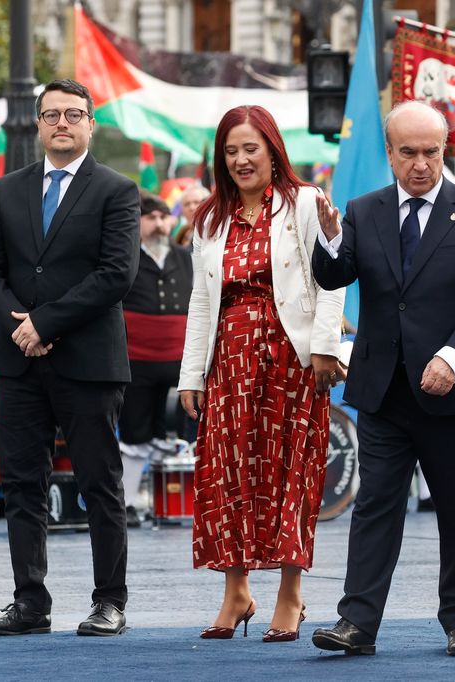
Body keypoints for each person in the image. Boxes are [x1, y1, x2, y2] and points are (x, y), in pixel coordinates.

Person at [309, 100, 455, 658]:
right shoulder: (363, 209)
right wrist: (327, 238)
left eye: (432, 152)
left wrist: (453, 356)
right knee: (375, 508)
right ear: (390, 153)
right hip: (384, 390)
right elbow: (334, 275)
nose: (421, 164)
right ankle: (357, 623)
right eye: (409, 153)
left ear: (444, 151)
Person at [0, 78, 140, 637]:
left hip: (88, 361)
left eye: (73, 114)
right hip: (20, 361)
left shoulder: (116, 190)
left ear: (91, 123)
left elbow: (117, 274)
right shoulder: (9, 188)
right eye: (51, 115)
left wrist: (46, 322)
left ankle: (109, 601)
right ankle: (29, 602)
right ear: (39, 124)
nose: (61, 123)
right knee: (20, 483)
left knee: (99, 483)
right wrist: (20, 323)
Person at [176, 105, 344, 643]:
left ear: (273, 149)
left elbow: (332, 280)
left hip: (292, 357)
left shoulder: (306, 202)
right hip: (229, 360)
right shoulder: (208, 219)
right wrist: (191, 376)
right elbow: (201, 303)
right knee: (226, 473)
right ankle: (236, 592)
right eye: (230, 151)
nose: (241, 160)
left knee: (292, 470)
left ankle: (290, 595)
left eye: (251, 148)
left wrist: (325, 347)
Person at [117, 192, 193, 527]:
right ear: (137, 223)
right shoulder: (125, 257)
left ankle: (178, 502)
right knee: (135, 432)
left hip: (182, 361)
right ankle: (128, 503)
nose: (159, 223)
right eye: (151, 217)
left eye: (164, 217)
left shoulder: (186, 257)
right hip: (137, 360)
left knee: (179, 434)